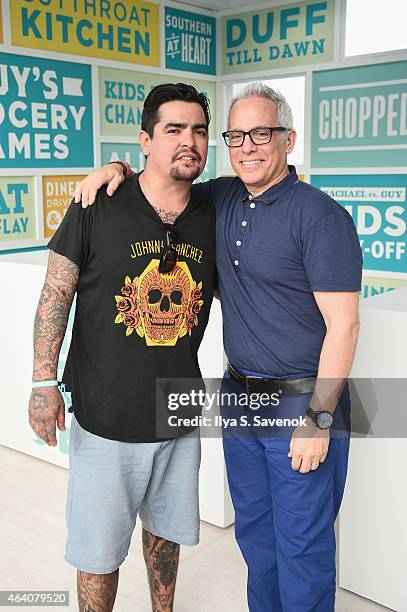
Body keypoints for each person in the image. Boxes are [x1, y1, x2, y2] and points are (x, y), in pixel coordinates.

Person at [73, 81, 363, 611]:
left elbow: (344, 328)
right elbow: (159, 179)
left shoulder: (321, 217)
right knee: (257, 541)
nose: (246, 146)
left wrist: (319, 419)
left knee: (302, 549)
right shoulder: (222, 196)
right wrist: (112, 170)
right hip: (241, 400)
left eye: (261, 133)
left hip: (302, 403)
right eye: (234, 135)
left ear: (289, 139)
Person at [28, 83, 216, 612]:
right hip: (106, 414)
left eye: (199, 130)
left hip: (178, 411)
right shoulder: (97, 203)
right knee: (99, 551)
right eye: (173, 129)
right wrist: (43, 383)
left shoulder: (213, 208)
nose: (189, 141)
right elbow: (55, 295)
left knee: (166, 537)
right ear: (145, 140)